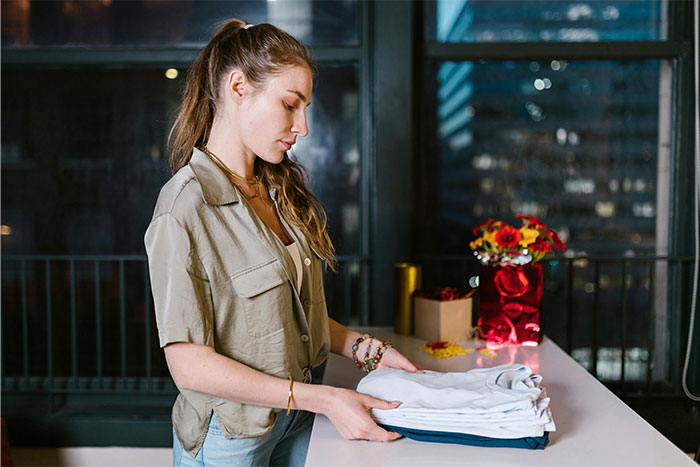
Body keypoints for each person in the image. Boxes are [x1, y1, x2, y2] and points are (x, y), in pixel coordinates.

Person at [144, 19, 421, 466]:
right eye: (291, 104)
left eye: (306, 107)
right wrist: (324, 399)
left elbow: (287, 318)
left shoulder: (275, 189)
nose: (303, 126)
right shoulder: (183, 207)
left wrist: (368, 349)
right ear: (238, 86)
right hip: (233, 436)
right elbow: (189, 365)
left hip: (295, 419)